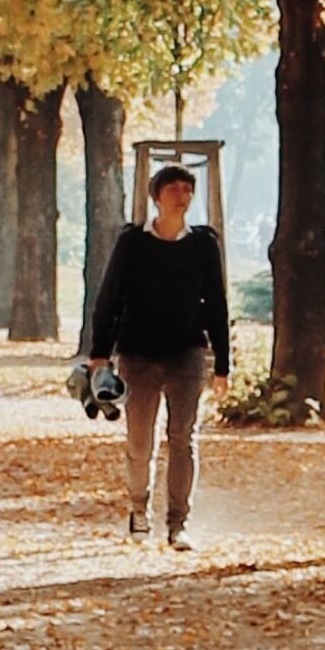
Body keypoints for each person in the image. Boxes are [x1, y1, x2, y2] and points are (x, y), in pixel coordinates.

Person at [79, 165, 230, 548]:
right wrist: (100, 353)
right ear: (156, 196)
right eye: (174, 188)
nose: (182, 195)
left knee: (183, 438)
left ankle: (178, 523)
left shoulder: (203, 245)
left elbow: (216, 303)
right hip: (138, 354)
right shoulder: (132, 242)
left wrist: (222, 364)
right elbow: (110, 298)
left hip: (187, 353)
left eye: (187, 189)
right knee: (140, 442)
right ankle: (138, 509)